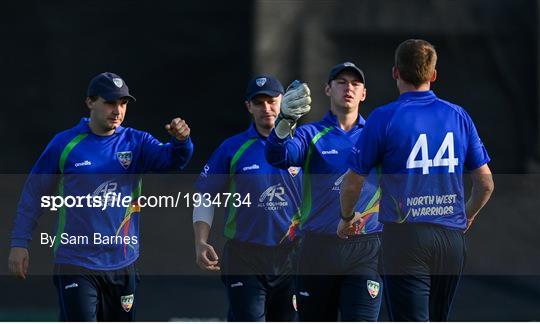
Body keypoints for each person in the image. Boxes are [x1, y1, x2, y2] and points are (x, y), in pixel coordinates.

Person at [8, 72, 194, 321]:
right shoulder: (65, 144)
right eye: (109, 102)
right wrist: (19, 242)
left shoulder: (136, 142)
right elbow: (33, 193)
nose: (117, 110)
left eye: (123, 103)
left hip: (122, 262)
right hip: (76, 262)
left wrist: (182, 142)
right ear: (89, 102)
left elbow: (173, 160)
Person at [339, 39, 494, 321]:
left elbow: (352, 182)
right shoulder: (458, 115)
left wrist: (346, 217)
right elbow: (485, 184)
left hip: (406, 238)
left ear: (395, 72)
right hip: (450, 239)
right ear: (433, 75)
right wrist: (466, 215)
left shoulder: (384, 117)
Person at [265, 63, 383, 321]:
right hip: (317, 249)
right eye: (341, 82)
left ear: (363, 93)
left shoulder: (376, 134)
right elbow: (278, 156)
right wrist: (283, 123)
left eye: (355, 83)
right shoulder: (311, 134)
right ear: (328, 89)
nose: (348, 88)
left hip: (365, 248)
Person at [193, 75, 305, 321]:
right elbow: (204, 194)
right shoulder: (233, 148)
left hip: (291, 257)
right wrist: (201, 241)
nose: (267, 108)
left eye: (272, 101)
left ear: (283, 101)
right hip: (245, 256)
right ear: (249, 107)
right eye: (259, 102)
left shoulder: (301, 144)